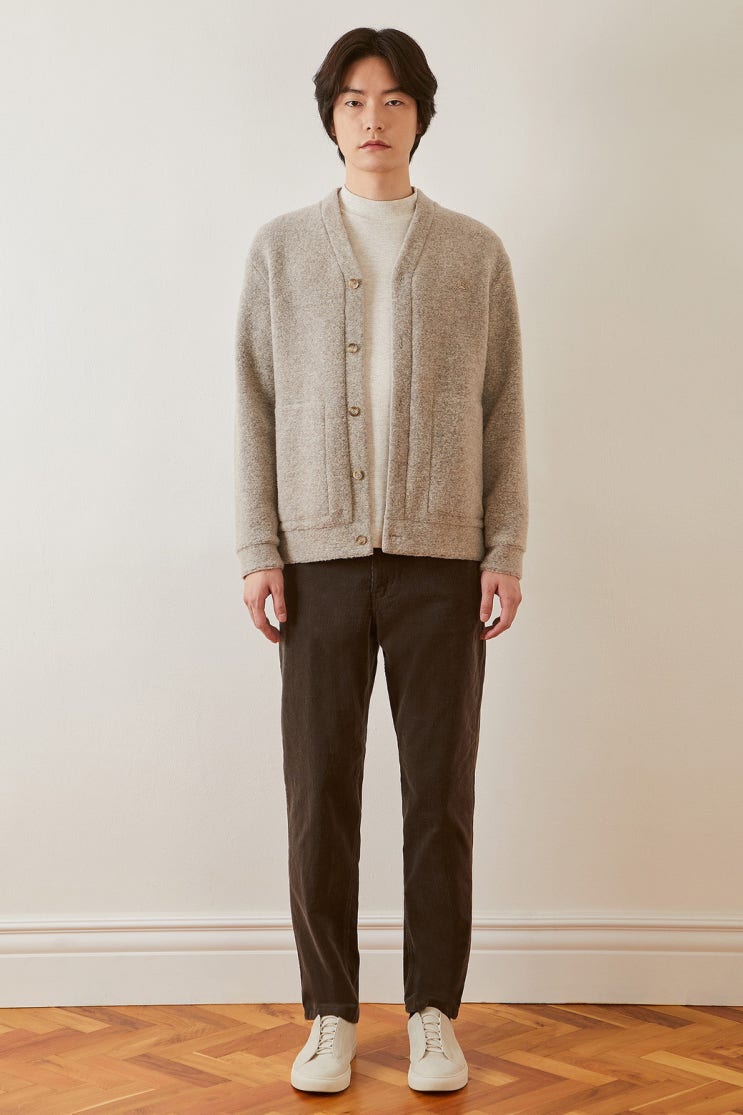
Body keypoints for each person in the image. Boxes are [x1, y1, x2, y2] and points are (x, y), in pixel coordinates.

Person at [234, 26, 528, 1095]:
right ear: (330, 116)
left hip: (442, 562)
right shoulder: (280, 250)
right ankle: (328, 1012)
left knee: (437, 796)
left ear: (419, 116)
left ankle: (432, 1012)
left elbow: (502, 411)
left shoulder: (473, 253)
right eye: (354, 99)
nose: (373, 118)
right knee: (319, 791)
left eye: (394, 99)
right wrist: (259, 547)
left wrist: (504, 545)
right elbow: (254, 405)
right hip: (315, 563)